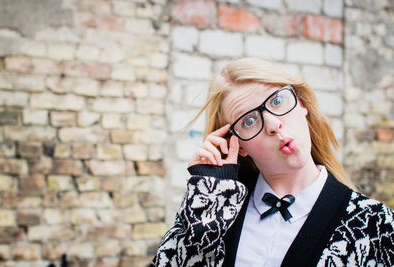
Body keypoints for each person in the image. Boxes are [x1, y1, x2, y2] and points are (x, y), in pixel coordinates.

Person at [149, 58, 394, 267]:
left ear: (301, 104)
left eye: (277, 101)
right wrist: (206, 200)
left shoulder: (376, 224)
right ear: (238, 146)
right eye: (248, 121)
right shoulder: (218, 212)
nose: (273, 125)